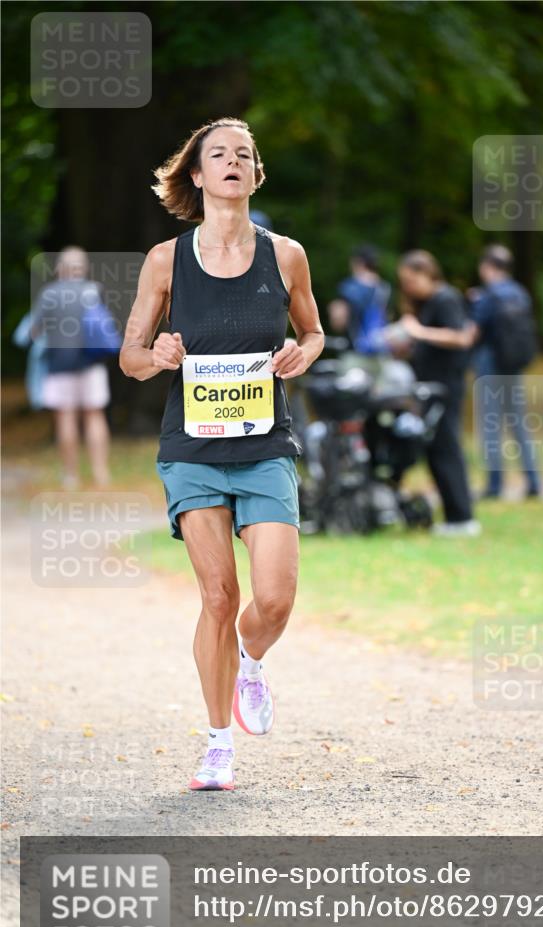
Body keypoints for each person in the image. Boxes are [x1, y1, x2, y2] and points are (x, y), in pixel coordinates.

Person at [120, 116, 324, 791]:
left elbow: (315, 331)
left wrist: (301, 353)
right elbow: (130, 358)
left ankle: (249, 661)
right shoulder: (163, 261)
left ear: (254, 175)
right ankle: (216, 745)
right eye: (219, 154)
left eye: (244, 154)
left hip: (264, 446)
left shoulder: (286, 255)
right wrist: (159, 354)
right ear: (199, 176)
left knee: (274, 598)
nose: (233, 161)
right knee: (217, 593)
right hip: (193, 450)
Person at [395, 250, 481, 537]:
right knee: (435, 451)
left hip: (446, 387)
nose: (407, 287)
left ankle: (463, 517)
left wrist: (419, 332)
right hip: (429, 388)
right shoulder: (427, 303)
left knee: (447, 450)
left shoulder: (446, 298)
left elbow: (460, 337)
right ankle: (454, 517)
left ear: (427, 273)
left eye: (411, 280)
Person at [31, 246, 113, 489]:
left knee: (66, 417)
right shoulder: (94, 290)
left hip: (59, 364)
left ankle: (70, 476)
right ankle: (101, 473)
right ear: (84, 268)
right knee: (95, 415)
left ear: (60, 268)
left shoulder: (49, 294)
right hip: (92, 363)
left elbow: (34, 331)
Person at [468, 245, 540, 500]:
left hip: (490, 364)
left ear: (487, 267)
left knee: (491, 425)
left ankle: (494, 485)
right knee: (519, 424)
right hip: (514, 365)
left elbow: (473, 332)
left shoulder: (488, 296)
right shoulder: (521, 293)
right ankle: (533, 481)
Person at [328, 244, 391, 355]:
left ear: (358, 262)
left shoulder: (349, 287)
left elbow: (338, 322)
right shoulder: (385, 288)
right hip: (381, 354)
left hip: (354, 354)